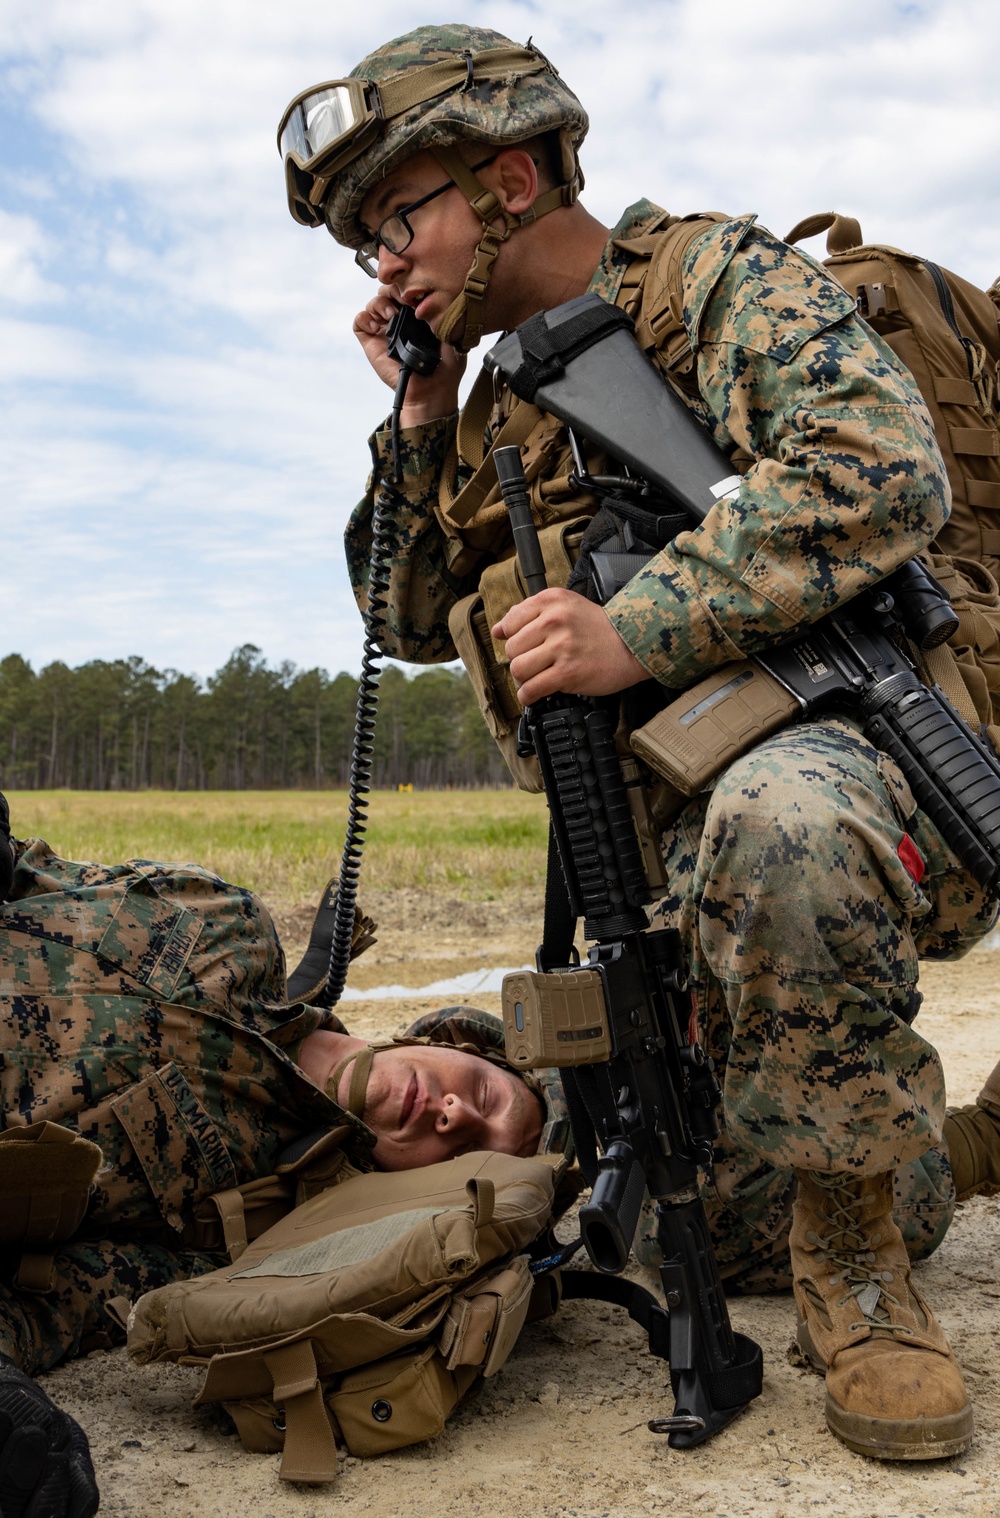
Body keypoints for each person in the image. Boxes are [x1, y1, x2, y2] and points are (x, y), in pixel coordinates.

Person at [278, 23, 1000, 1463]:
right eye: (360, 238)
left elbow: (880, 461)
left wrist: (641, 627)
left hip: (848, 773)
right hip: (656, 862)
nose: (382, 260)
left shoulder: (707, 283)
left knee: (778, 818)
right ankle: (946, 1154)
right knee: (654, 1192)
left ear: (513, 175)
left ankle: (860, 1268)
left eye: (398, 213)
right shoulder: (493, 404)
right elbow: (406, 612)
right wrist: (418, 413)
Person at [0, 810, 558, 1517]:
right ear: (449, 1042)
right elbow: (33, 872)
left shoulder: (224, 1228)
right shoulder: (231, 922)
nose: (452, 1114)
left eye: (464, 1148)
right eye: (478, 1092)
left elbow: (49, 1300)